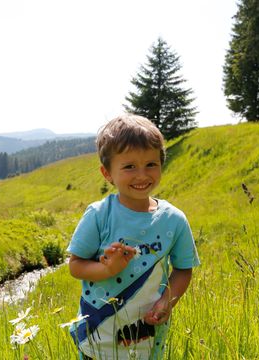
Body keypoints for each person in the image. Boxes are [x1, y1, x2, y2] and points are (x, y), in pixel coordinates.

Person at [66, 114, 200, 359]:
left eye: (151, 164)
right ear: (107, 173)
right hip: (98, 337)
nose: (142, 175)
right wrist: (107, 270)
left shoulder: (174, 219)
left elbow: (183, 269)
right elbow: (75, 265)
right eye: (129, 166)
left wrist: (166, 303)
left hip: (148, 339)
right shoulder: (98, 215)